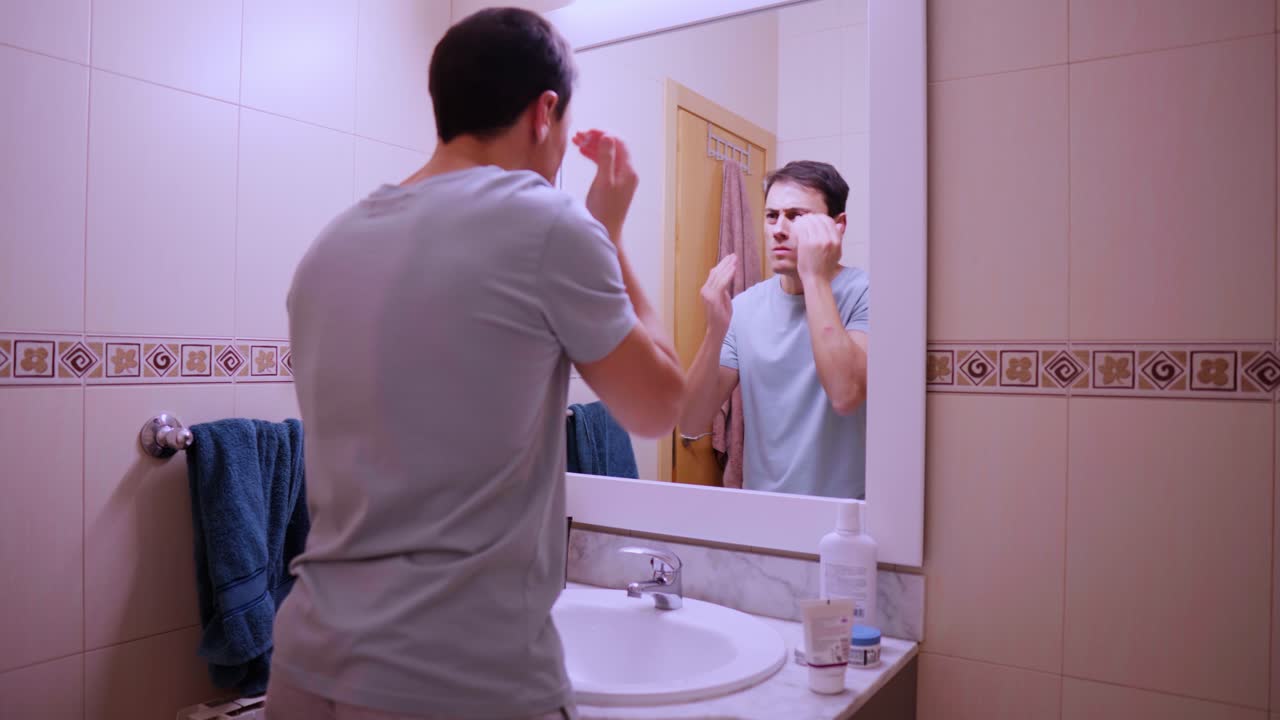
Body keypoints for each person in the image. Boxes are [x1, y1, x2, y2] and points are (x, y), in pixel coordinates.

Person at [268, 8, 684, 720]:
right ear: (544, 112)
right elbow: (661, 405)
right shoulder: (546, 221)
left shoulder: (329, 245)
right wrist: (608, 229)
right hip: (457, 678)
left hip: (307, 662)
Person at [678, 160, 869, 499]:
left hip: (844, 515)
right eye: (772, 215)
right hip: (762, 508)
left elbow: (845, 395)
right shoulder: (745, 306)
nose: (779, 229)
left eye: (796, 216)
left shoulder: (866, 293)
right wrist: (715, 330)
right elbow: (691, 423)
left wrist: (813, 276)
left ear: (838, 226)